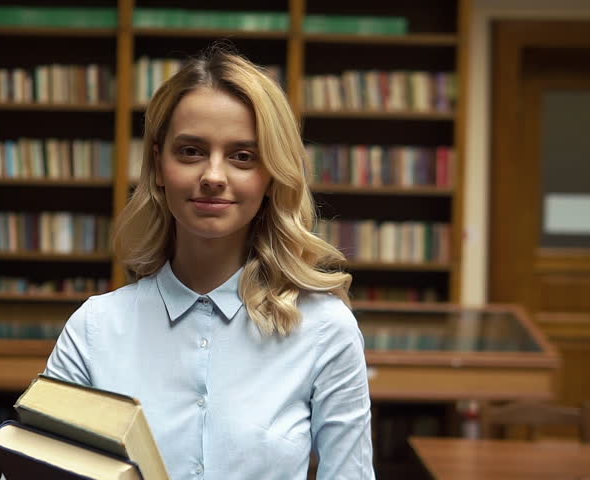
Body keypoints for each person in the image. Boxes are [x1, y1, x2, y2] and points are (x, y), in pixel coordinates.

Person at [44, 45, 375, 479]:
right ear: (159, 165)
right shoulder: (95, 328)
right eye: (191, 151)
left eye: (242, 156)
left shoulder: (325, 329)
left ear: (271, 175)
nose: (213, 177)